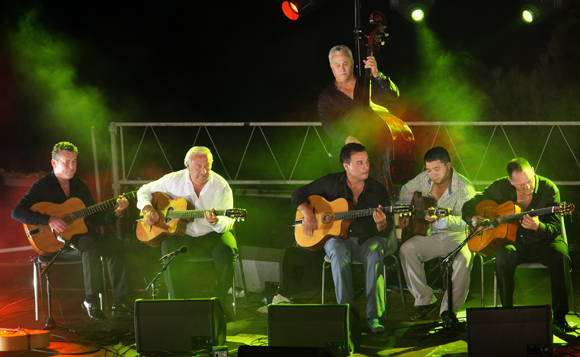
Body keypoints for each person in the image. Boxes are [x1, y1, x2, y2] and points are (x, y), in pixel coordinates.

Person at [12, 141, 133, 321]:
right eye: (66, 162)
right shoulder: (42, 186)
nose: (72, 166)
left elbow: (95, 216)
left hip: (79, 237)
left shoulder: (80, 186)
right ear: (54, 163)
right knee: (91, 244)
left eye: (74, 162)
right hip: (55, 242)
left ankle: (120, 301)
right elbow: (17, 212)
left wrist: (117, 213)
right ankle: (90, 300)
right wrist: (49, 220)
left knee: (117, 245)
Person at [462, 157, 575, 333]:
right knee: (502, 255)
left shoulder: (549, 189)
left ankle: (559, 318)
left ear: (532, 169)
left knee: (561, 257)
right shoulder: (500, 187)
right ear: (511, 181)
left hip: (543, 242)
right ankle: (508, 315)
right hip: (515, 242)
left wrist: (539, 226)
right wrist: (472, 217)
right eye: (521, 185)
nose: (528, 187)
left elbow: (554, 228)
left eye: (530, 180)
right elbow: (470, 204)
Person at [292, 143, 393, 333]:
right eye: (360, 163)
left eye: (367, 162)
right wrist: (307, 213)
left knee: (374, 254)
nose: (366, 167)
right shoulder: (330, 183)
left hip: (368, 239)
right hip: (339, 239)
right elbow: (298, 193)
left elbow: (386, 229)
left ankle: (375, 316)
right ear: (346, 166)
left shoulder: (377, 189)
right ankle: (347, 314)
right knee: (337, 252)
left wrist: (381, 224)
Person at [137, 146, 237, 305]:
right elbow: (143, 190)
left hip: (212, 234)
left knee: (228, 250)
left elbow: (228, 221)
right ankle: (179, 304)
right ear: (187, 165)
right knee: (168, 246)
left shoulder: (221, 186)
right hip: (183, 235)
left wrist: (217, 221)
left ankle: (218, 303)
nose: (204, 171)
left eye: (208, 166)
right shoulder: (172, 180)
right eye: (198, 166)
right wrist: (147, 208)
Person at [398, 147, 475, 323]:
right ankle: (425, 299)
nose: (432, 174)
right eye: (428, 170)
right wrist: (405, 212)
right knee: (407, 249)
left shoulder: (464, 188)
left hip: (456, 237)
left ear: (448, 165)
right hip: (430, 235)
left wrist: (442, 221)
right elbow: (406, 188)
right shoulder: (424, 179)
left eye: (436, 169)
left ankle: (448, 311)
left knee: (464, 259)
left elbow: (466, 222)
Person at [318, 45, 400, 172]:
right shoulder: (326, 96)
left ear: (352, 63)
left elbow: (393, 95)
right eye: (337, 65)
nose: (342, 69)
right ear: (331, 67)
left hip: (373, 150)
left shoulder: (368, 83)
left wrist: (377, 74)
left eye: (345, 63)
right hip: (343, 154)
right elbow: (329, 125)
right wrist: (347, 138)